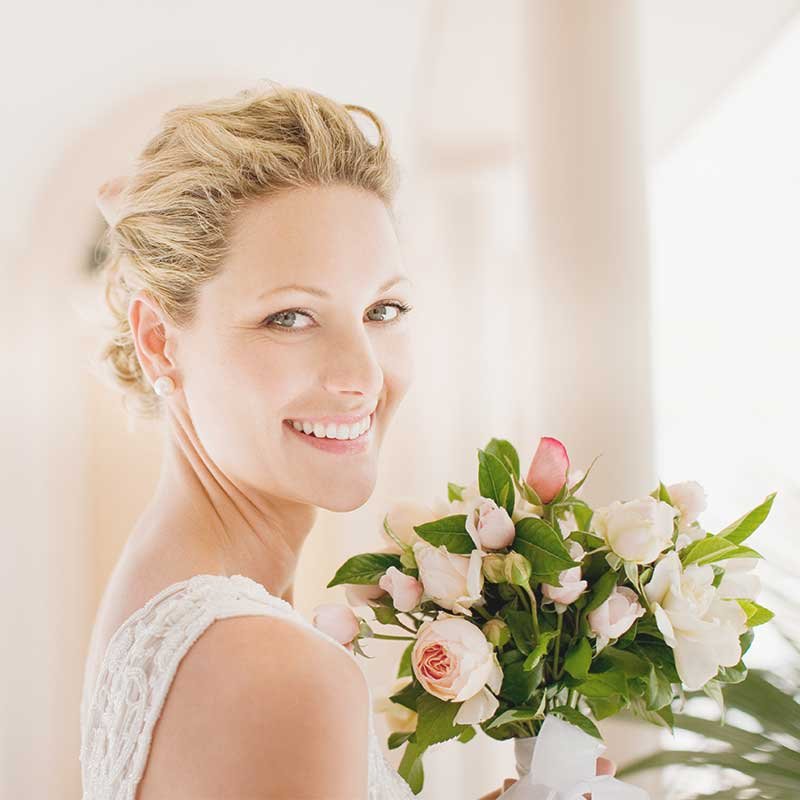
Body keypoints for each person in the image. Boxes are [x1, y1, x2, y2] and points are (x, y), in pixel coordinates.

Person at [79, 80, 613, 800]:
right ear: (158, 341)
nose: (363, 376)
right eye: (291, 318)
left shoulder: (171, 602)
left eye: (382, 309)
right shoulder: (276, 668)